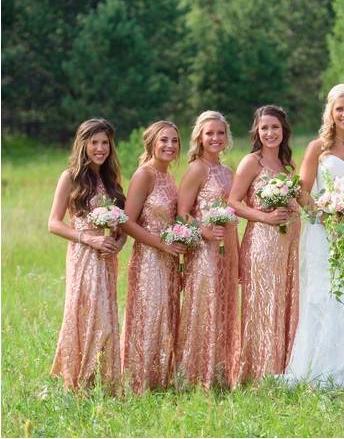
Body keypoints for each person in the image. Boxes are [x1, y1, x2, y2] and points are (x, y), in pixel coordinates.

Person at [284, 84, 344, 388]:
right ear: (330, 111)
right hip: (322, 235)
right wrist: (326, 216)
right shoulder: (317, 148)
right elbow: (302, 191)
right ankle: (319, 365)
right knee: (324, 295)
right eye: (339, 109)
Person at [47, 118, 126, 392]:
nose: (100, 148)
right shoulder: (69, 177)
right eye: (94, 143)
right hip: (83, 253)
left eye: (105, 143)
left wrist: (119, 241)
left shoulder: (111, 178)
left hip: (106, 257)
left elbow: (123, 222)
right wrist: (87, 238)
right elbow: (53, 223)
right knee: (87, 312)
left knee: (106, 315)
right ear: (83, 145)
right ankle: (78, 380)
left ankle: (102, 380)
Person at [229, 105, 300, 383]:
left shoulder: (287, 165)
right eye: (265, 128)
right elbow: (233, 202)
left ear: (284, 131)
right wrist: (265, 217)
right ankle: (258, 371)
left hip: (290, 243)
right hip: (262, 241)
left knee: (284, 300)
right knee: (263, 302)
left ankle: (283, 368)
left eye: (275, 127)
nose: (270, 133)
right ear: (257, 132)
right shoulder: (252, 162)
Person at [175, 111, 239, 389]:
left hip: (227, 250)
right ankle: (194, 374)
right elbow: (181, 213)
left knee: (223, 307)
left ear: (227, 137)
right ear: (199, 137)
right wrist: (203, 229)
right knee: (204, 306)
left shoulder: (227, 172)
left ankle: (219, 373)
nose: (215, 138)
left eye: (220, 133)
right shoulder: (197, 169)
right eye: (209, 133)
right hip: (203, 251)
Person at [122, 121, 185, 393]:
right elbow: (126, 221)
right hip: (149, 257)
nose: (169, 146)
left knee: (166, 316)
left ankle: (161, 379)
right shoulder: (144, 175)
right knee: (149, 315)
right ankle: (140, 382)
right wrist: (161, 245)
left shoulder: (169, 177)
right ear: (151, 143)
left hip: (169, 258)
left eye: (174, 140)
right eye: (164, 140)